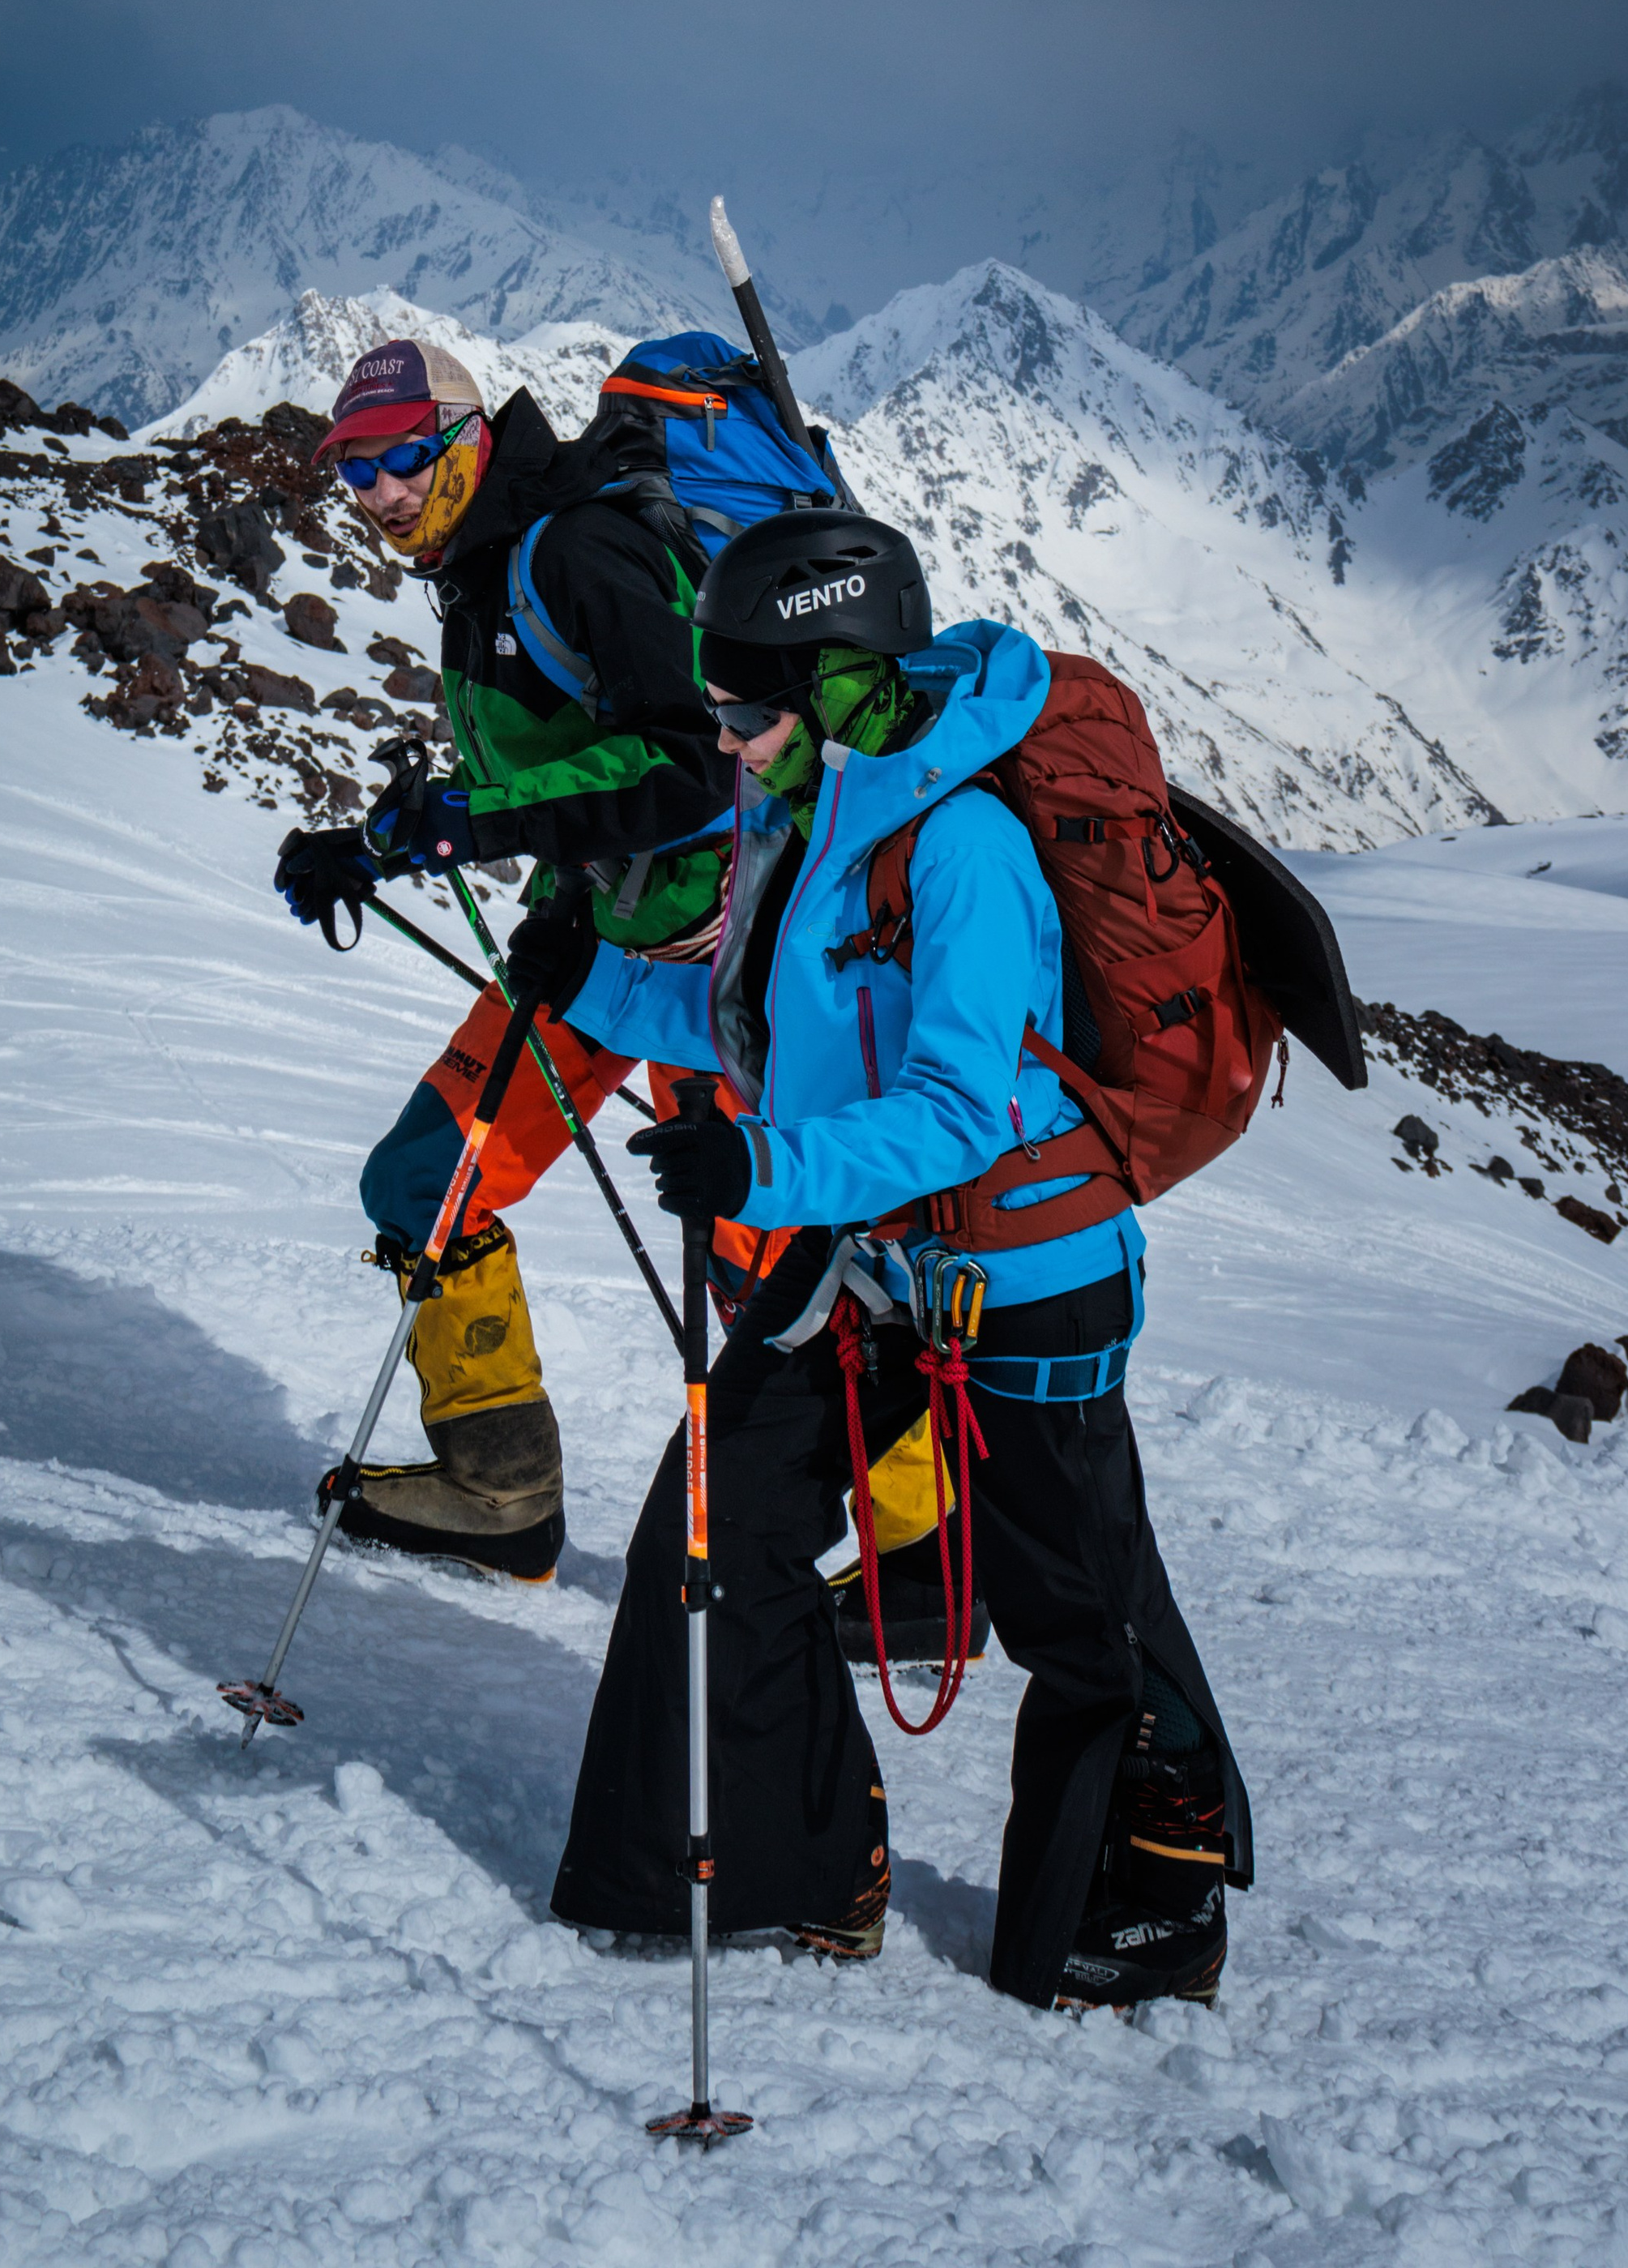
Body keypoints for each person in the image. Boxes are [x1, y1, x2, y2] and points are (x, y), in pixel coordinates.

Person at [537, 508, 1253, 2006]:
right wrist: (588, 979)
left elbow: (959, 1107)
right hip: (879, 1261)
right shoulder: (814, 816)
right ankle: (807, 1862)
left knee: (1081, 1616)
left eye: (747, 707)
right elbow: (755, 1035)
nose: (726, 741)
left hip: (1025, 1268)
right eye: (718, 709)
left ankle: (1147, 1909)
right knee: (716, 1516)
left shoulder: (966, 844)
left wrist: (767, 1166)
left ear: (843, 682)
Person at [274, 332, 741, 1581]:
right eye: (353, 471)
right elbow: (523, 792)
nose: (375, 493)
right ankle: (501, 1489)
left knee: (775, 1264)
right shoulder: (478, 578)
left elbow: (692, 764)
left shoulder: (576, 548)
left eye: (396, 460)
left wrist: (470, 824)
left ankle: (917, 1542)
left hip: (717, 961)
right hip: (591, 943)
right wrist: (368, 850)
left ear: (466, 439)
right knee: (425, 1182)